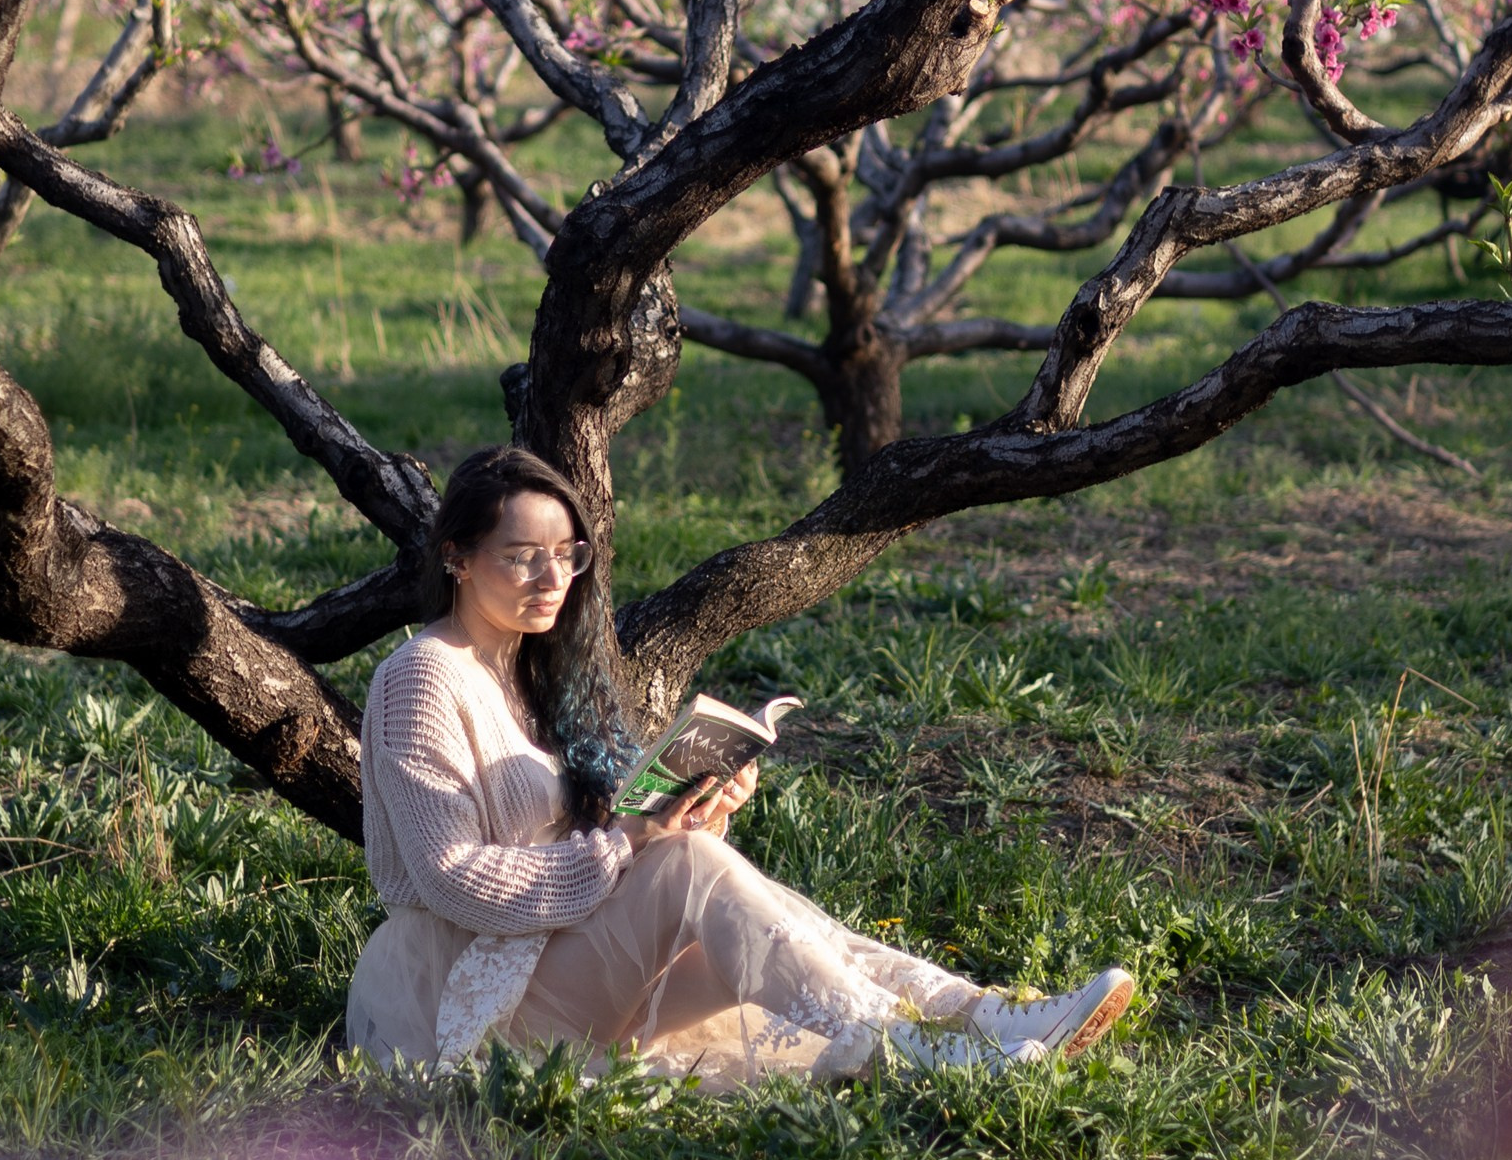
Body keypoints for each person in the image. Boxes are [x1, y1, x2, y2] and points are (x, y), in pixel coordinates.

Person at [344, 443, 1136, 1086]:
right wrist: (628, 840)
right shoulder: (424, 677)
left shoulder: (539, 670)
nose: (553, 579)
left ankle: (976, 1014)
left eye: (566, 554)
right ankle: (923, 1053)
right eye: (521, 557)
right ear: (457, 557)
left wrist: (692, 802)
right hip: (471, 998)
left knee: (745, 904)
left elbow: (599, 826)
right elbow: (450, 876)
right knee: (688, 866)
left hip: (566, 957)